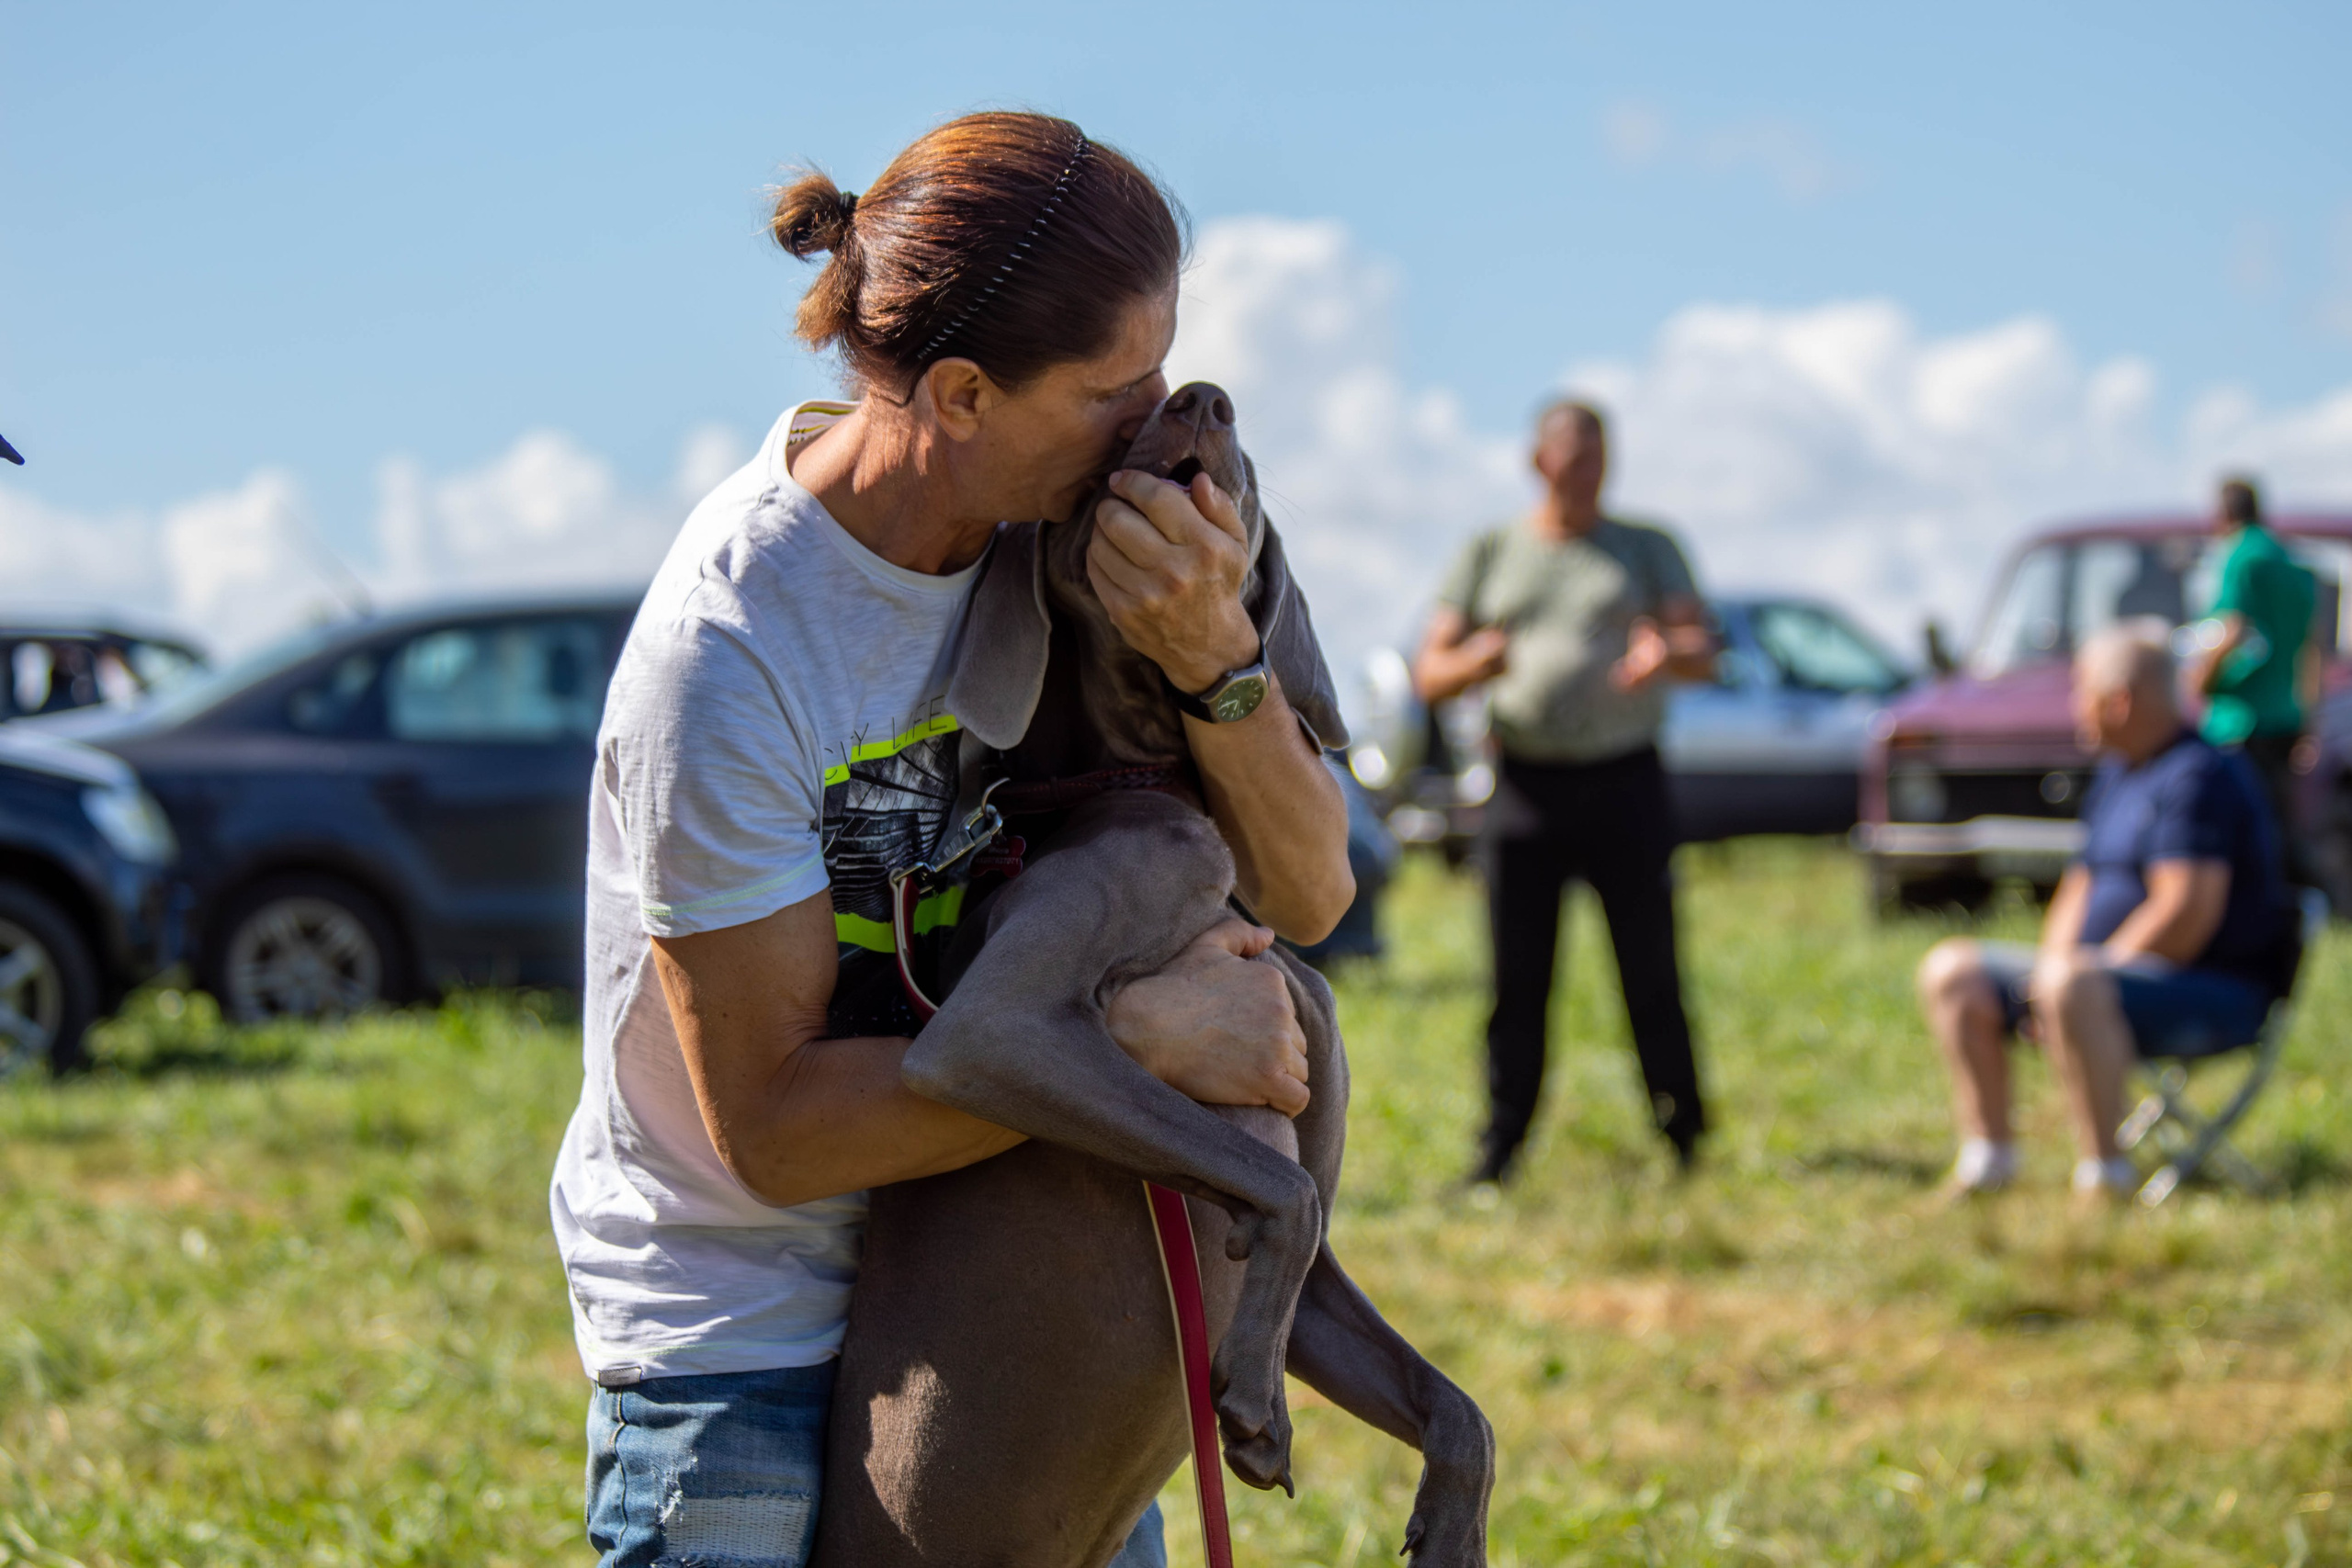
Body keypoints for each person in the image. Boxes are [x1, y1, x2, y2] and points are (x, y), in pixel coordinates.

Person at [548, 113, 1355, 1568]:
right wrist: (1132, 1041)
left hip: (1009, 1272)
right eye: (1112, 390)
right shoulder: (733, 647)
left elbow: (1308, 890)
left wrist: (1210, 656)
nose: (1156, 419)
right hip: (744, 1331)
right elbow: (778, 1130)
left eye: (1163, 369)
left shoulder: (1070, 539)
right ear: (965, 393)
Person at [1413, 400, 1716, 1184]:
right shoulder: (1492, 550)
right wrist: (1476, 662)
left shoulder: (1646, 546)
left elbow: (1702, 649)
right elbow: (1431, 671)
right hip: (1526, 785)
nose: (1589, 476)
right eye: (1575, 460)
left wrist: (1665, 652)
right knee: (1517, 978)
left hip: (1625, 778)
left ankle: (1683, 1133)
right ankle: (1500, 1147)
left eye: (1600, 460)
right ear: (1539, 462)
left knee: (1649, 966)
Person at [1917, 620, 2296, 1203]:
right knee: (1955, 971)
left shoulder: (2201, 778)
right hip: (2094, 983)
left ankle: (2105, 1180)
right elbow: (2081, 886)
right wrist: (2050, 975)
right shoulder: (2120, 773)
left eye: (2082, 692)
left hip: (2210, 992)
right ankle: (1988, 1161)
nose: (2075, 707)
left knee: (2071, 983)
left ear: (2118, 702)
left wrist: (2079, 982)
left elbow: (2185, 912)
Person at [2188, 475, 2318, 883]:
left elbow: (2231, 628)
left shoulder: (2239, 557)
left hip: (2240, 720)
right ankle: (2288, 897)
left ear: (2222, 514)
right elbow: (2310, 648)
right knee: (2276, 821)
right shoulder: (2290, 562)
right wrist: (2309, 716)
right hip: (2285, 715)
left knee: (2235, 825)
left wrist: (2200, 679)